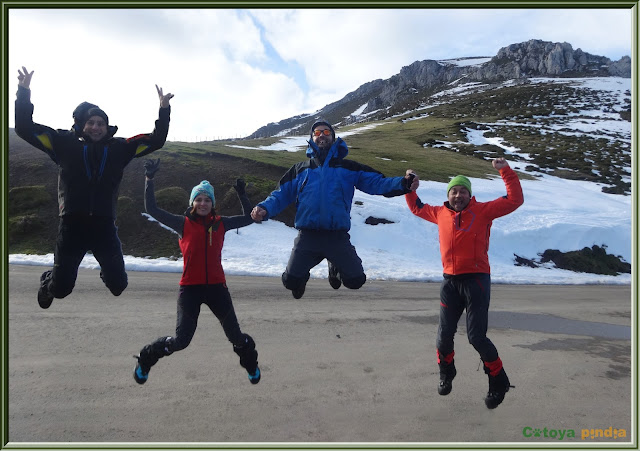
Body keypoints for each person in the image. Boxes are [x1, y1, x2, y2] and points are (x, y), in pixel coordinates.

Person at [14, 66, 173, 309]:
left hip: (103, 226)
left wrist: (163, 110)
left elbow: (156, 140)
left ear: (107, 127)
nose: (96, 127)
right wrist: (23, 93)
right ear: (81, 125)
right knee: (61, 289)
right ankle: (48, 281)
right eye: (91, 122)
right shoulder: (62, 143)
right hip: (72, 226)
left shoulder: (121, 148)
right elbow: (25, 129)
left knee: (118, 286)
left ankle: (107, 272)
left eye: (101, 123)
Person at [251, 120, 418, 299]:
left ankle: (335, 265)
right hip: (308, 236)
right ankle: (301, 278)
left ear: (333, 137)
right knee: (290, 281)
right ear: (312, 138)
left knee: (356, 280)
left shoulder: (348, 168)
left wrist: (404, 183)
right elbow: (281, 194)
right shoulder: (300, 170)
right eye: (317, 132)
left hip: (336, 236)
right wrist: (263, 208)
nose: (321, 135)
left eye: (326, 132)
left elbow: (377, 183)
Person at [405, 158, 524, 409]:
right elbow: (416, 207)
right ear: (448, 195)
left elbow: (515, 200)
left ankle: (498, 379)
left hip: (477, 281)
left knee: (476, 337)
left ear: (470, 194)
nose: (458, 195)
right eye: (454, 191)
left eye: (463, 191)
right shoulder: (440, 213)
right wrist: (410, 184)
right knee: (443, 337)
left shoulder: (483, 211)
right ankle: (447, 373)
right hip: (450, 282)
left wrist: (505, 171)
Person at [133, 159, 261, 385]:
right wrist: (149, 179)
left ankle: (251, 364)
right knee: (181, 341)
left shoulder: (221, 223)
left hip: (217, 289)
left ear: (213, 204)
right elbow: (151, 209)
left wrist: (242, 194)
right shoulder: (182, 223)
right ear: (193, 202)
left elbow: (249, 219)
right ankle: (146, 358)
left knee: (236, 338)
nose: (203, 203)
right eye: (199, 199)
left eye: (207, 200)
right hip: (190, 289)